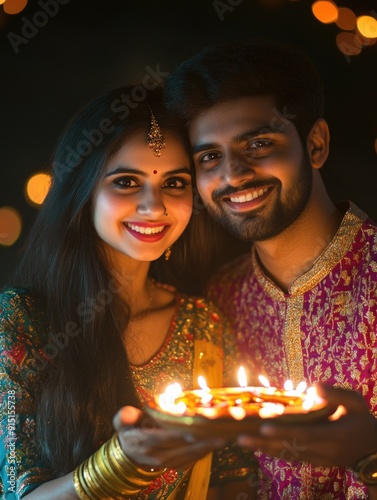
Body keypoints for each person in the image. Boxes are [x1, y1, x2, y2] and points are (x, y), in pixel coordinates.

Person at [0, 85, 257, 499]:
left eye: (175, 182)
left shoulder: (202, 323)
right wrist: (123, 463)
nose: (154, 206)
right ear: (82, 194)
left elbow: (229, 477)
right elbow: (20, 494)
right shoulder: (23, 319)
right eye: (125, 182)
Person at [164, 38, 377, 498]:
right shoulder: (219, 300)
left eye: (259, 144)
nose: (233, 175)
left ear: (315, 144)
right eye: (208, 157)